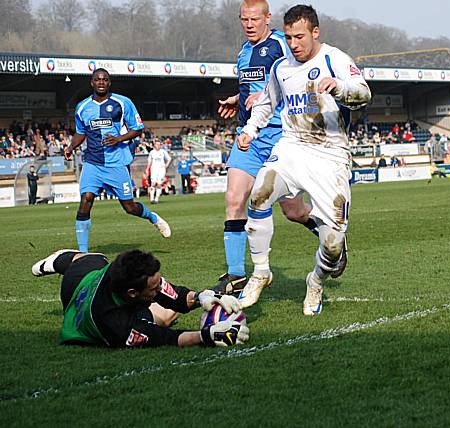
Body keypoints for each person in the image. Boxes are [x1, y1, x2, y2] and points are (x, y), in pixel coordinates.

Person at [236, 4, 371, 315]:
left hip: (330, 156)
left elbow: (364, 93)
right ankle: (261, 272)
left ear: (315, 32)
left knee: (333, 243)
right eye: (289, 37)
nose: (293, 44)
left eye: (299, 37)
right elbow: (267, 103)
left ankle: (315, 281)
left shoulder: (334, 59)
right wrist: (251, 130)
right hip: (293, 148)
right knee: (259, 196)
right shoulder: (281, 68)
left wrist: (339, 87)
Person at [214, 0, 326, 295]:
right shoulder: (243, 53)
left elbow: (294, 77)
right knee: (234, 197)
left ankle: (328, 234)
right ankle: (236, 274)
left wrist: (264, 96)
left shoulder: (282, 44)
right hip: (250, 136)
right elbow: (251, 87)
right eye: (244, 19)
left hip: (281, 135)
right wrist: (237, 100)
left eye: (254, 19)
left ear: (267, 18)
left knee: (293, 211)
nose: (249, 24)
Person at [31, 249, 249, 348]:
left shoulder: (122, 269)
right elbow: (164, 337)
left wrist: (201, 297)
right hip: (75, 287)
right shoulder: (115, 325)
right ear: (133, 294)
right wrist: (206, 336)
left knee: (92, 258)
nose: (159, 288)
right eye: (153, 288)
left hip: (93, 271)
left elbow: (172, 294)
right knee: (162, 319)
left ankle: (64, 258)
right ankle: (60, 259)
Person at [63, 69, 171, 253]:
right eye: (97, 79)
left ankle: (152, 217)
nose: (101, 82)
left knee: (129, 207)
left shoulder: (123, 102)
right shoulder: (82, 107)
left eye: (105, 79)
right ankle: (83, 252)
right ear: (92, 83)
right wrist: (71, 147)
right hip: (93, 163)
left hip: (116, 163)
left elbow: (137, 129)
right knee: (86, 199)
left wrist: (119, 139)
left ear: (109, 82)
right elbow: (81, 132)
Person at [147, 140, 172, 204]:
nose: (158, 146)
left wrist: (166, 165)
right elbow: (149, 161)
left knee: (159, 184)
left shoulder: (163, 152)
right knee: (153, 183)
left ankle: (156, 199)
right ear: (154, 145)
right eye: (156, 144)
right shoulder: (152, 152)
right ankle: (152, 198)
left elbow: (169, 159)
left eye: (159, 144)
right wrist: (147, 169)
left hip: (161, 170)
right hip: (154, 169)